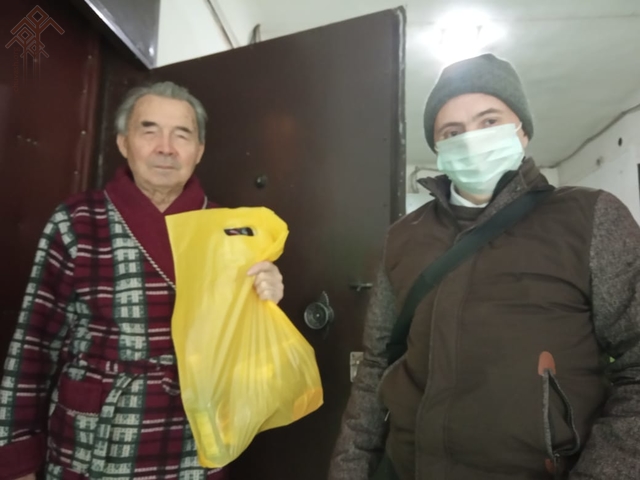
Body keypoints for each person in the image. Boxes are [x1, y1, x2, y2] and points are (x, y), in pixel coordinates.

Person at [329, 53, 640, 479]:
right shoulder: (403, 237)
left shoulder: (589, 217)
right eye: (452, 132)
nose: (471, 140)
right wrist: (348, 470)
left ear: (522, 131)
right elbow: (376, 365)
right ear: (438, 148)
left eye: (489, 121)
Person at [0, 81, 285, 479]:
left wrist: (266, 301)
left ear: (199, 150)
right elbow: (33, 347)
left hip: (192, 439)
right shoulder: (76, 221)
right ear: (123, 142)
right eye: (149, 131)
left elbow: (245, 354)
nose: (165, 147)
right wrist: (18, 459)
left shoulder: (230, 231)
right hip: (94, 437)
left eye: (181, 135)